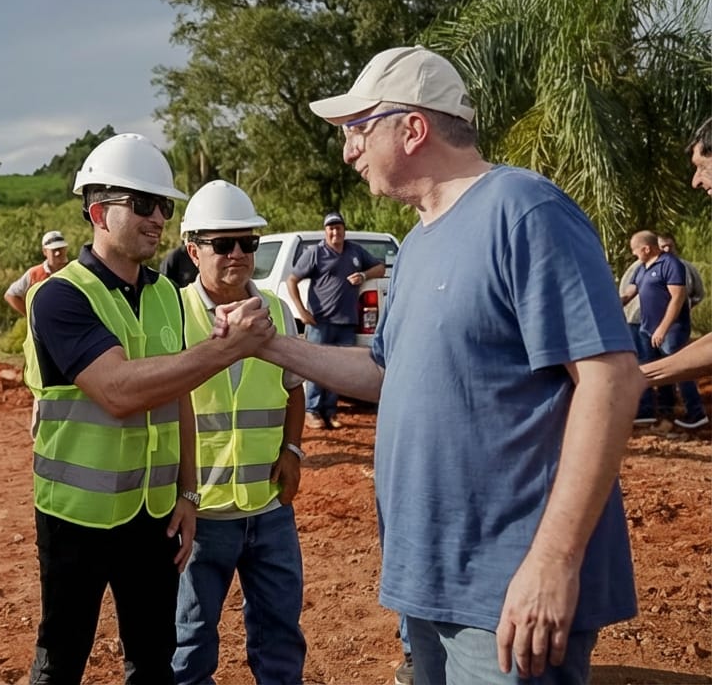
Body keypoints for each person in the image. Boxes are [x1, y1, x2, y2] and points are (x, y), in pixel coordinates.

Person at [218, 46, 643, 684]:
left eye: (358, 130)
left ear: (413, 128)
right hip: (428, 577)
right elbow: (386, 376)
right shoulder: (414, 245)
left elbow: (609, 380)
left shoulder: (525, 211)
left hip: (506, 585)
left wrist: (554, 559)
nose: (348, 150)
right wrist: (269, 345)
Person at [23, 133, 274, 685]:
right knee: (61, 659)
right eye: (142, 204)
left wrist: (188, 493)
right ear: (97, 211)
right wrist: (225, 347)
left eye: (164, 205)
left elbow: (176, 395)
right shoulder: (61, 296)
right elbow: (117, 390)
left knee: (153, 659)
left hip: (152, 514)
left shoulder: (163, 293)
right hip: (77, 518)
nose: (158, 215)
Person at [171, 180, 308, 685]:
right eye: (222, 244)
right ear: (193, 250)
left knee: (279, 636)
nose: (238, 254)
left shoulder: (276, 311)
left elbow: (294, 387)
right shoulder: (172, 311)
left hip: (268, 509)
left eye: (247, 243)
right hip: (200, 513)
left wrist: (293, 449)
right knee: (189, 642)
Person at [285, 211, 383, 429]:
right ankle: (311, 411)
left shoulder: (355, 251)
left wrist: (364, 276)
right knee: (316, 368)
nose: (334, 232)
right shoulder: (315, 253)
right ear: (325, 231)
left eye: (338, 227)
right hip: (320, 321)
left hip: (347, 322)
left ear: (344, 230)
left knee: (339, 370)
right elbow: (292, 280)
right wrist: (302, 311)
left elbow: (380, 267)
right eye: (330, 228)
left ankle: (330, 412)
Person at [642, 117, 712, 386]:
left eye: (701, 167)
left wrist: (637, 378)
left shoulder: (672, 265)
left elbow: (681, 295)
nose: (695, 181)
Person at [621, 231, 708, 429]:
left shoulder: (671, 264)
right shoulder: (642, 268)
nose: (634, 255)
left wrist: (663, 328)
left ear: (646, 248)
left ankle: (696, 413)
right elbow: (629, 292)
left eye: (635, 251)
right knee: (647, 367)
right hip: (646, 327)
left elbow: (678, 297)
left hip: (671, 329)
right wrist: (614, 305)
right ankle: (647, 412)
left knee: (680, 368)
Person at [5, 230, 70, 316]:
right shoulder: (34, 274)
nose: (58, 253)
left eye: (60, 249)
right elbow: (10, 295)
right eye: (53, 250)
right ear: (45, 251)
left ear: (66, 249)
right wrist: (31, 316)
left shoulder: (73, 270)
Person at [657, 233, 704, 308]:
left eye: (670, 246)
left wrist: (684, 304)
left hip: (681, 315)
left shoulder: (688, 267)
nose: (667, 249)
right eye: (663, 247)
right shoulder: (646, 268)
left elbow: (699, 294)